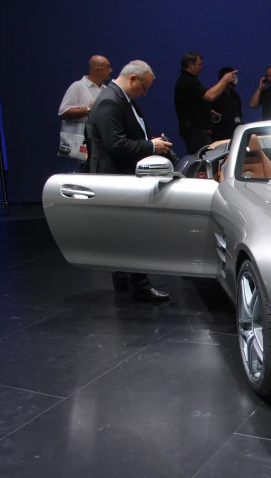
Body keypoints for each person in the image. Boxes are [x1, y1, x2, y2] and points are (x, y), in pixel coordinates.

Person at [88, 60, 173, 302]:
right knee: (134, 231)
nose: (145, 93)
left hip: (123, 177)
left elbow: (129, 134)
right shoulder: (109, 102)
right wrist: (151, 146)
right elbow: (116, 145)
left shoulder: (122, 99)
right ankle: (140, 284)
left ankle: (123, 279)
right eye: (144, 87)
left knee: (123, 231)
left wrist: (152, 141)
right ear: (133, 79)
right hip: (116, 179)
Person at [174, 52, 237, 154]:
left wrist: (207, 111)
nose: (201, 67)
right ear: (191, 65)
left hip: (195, 132)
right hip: (196, 133)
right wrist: (224, 80)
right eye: (199, 64)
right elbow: (210, 96)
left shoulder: (187, 81)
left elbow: (191, 104)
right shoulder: (188, 81)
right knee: (205, 160)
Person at [58, 55, 112, 171]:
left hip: (102, 142)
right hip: (85, 142)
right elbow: (63, 111)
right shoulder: (78, 87)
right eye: (108, 67)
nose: (111, 70)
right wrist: (88, 110)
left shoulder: (106, 89)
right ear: (97, 70)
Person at [211, 67, 243, 141]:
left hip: (235, 135)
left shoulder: (236, 97)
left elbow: (240, 115)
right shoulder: (214, 96)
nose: (234, 81)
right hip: (219, 137)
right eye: (231, 78)